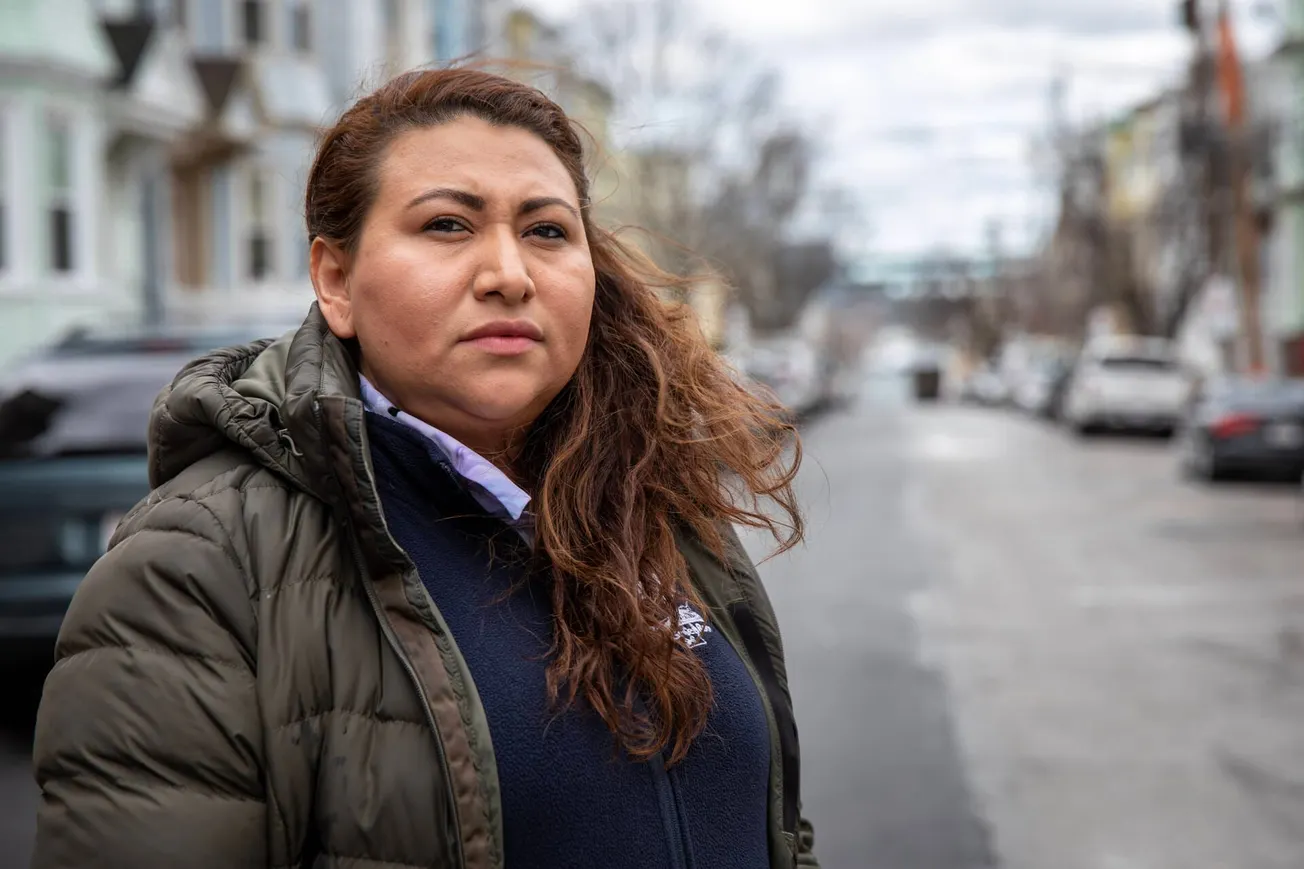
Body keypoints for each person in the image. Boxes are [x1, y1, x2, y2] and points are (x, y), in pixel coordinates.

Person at [31, 67, 817, 869]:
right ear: (335, 280)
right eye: (447, 225)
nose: (509, 273)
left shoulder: (658, 506)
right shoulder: (195, 569)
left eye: (547, 230)